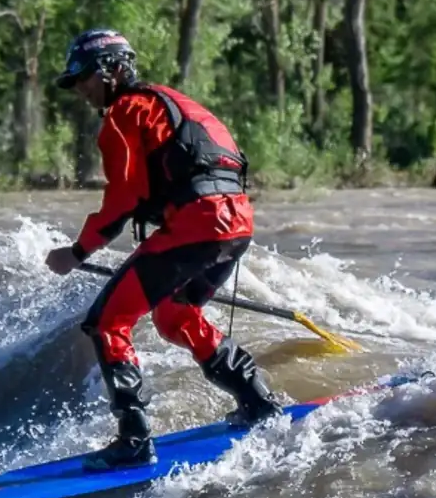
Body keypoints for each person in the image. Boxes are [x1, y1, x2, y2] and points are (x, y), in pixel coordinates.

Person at [44, 28, 283, 471]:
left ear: (113, 70)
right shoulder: (173, 102)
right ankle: (258, 403)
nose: (79, 89)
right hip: (236, 225)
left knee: (105, 322)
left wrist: (75, 253)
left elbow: (123, 200)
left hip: (196, 225)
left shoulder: (123, 114)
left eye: (83, 77)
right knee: (175, 316)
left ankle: (133, 442)